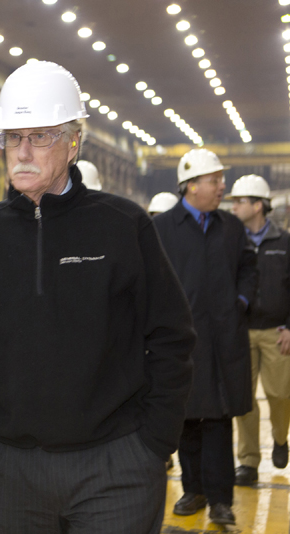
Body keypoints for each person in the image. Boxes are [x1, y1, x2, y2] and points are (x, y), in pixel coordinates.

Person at [0, 60, 195, 534]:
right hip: (8, 467)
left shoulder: (122, 225)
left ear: (73, 142)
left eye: (39, 136)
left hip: (115, 464)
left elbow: (170, 336)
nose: (22, 151)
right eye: (12, 137)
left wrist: (153, 443)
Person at [153, 148, 257, 526]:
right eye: (215, 181)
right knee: (186, 420)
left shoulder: (230, 227)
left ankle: (220, 499)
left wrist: (240, 300)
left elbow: (249, 266)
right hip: (182, 344)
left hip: (223, 341)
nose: (222, 187)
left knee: (217, 420)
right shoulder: (163, 229)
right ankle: (192, 490)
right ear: (191, 186)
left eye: (221, 180)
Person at [229, 174, 290, 486]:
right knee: (244, 400)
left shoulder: (284, 241)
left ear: (258, 205)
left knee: (280, 393)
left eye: (240, 201)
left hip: (276, 331)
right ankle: (248, 462)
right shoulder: (231, 241)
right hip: (241, 331)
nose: (234, 205)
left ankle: (281, 438)